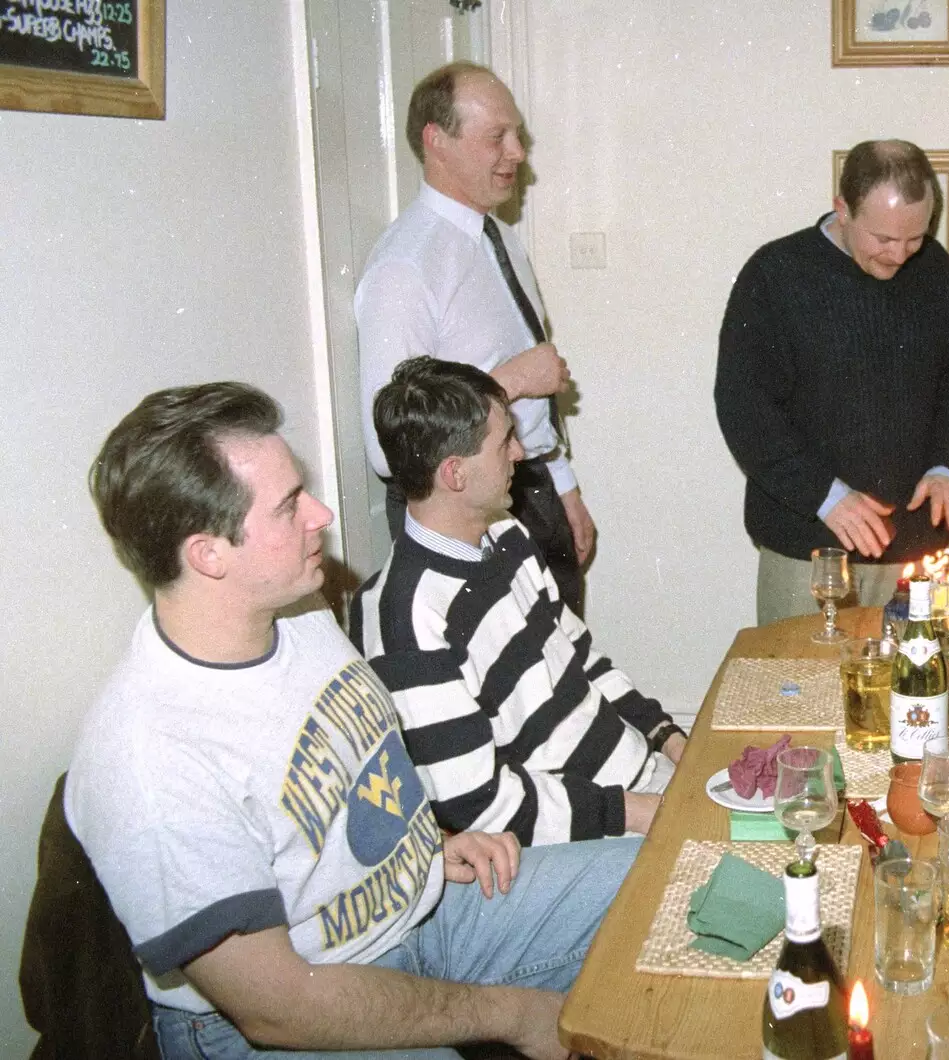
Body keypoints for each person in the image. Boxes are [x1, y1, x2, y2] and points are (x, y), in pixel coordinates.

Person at [68, 382, 639, 1060]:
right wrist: (512, 1013)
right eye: (287, 507)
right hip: (295, 1015)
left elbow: (342, 783)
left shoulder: (301, 615)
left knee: (667, 880)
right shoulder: (150, 761)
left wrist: (424, 846)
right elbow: (279, 1010)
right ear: (208, 554)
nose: (322, 513)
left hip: (419, 914)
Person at [352, 357, 686, 846]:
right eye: (505, 440)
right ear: (455, 474)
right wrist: (637, 813)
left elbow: (584, 661)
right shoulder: (406, 617)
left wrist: (670, 739)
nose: (520, 452)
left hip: (641, 783)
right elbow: (478, 805)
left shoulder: (506, 536)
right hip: (591, 834)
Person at [715, 139, 949, 624]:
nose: (901, 255)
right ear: (843, 209)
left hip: (913, 549)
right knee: (805, 695)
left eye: (915, 238)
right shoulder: (776, 275)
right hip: (810, 551)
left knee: (912, 693)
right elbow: (745, 409)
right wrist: (825, 496)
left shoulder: (936, 272)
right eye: (884, 239)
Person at [356, 60, 592, 614]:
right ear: (436, 142)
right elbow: (388, 441)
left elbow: (534, 403)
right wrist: (512, 380)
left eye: (518, 135)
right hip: (464, 515)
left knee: (562, 676)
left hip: (531, 489)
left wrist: (564, 486)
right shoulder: (404, 267)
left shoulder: (502, 240)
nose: (517, 153)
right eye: (497, 137)